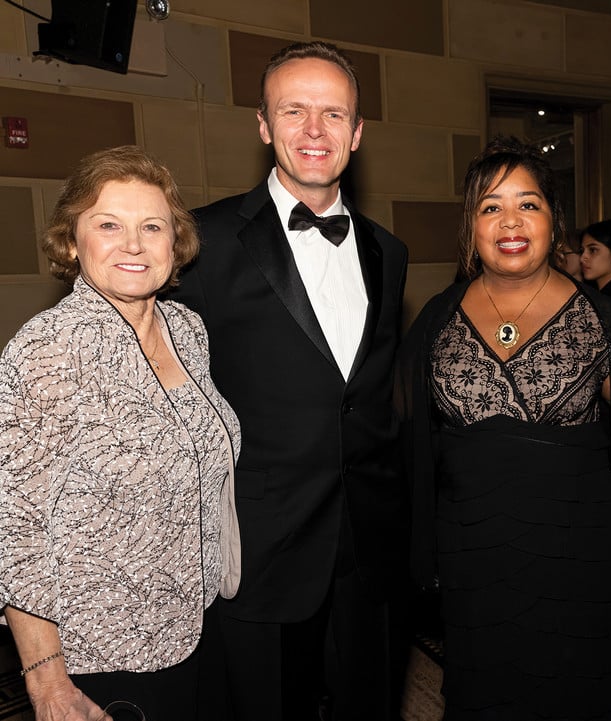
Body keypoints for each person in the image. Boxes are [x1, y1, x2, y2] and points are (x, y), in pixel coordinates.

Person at [166, 40, 409, 721]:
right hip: (259, 556)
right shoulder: (201, 243)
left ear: (357, 133)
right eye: (294, 110)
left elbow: (370, 398)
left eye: (333, 114)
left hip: (369, 550)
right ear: (264, 124)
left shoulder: (388, 251)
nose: (313, 130)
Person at [396, 136, 611, 720]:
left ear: (552, 219)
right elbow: (393, 432)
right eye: (490, 206)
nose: (510, 221)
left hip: (579, 566)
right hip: (473, 565)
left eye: (527, 204)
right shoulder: (437, 319)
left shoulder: (603, 321)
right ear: (471, 225)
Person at [0, 145, 241, 721]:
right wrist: (46, 682)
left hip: (196, 626)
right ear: (72, 239)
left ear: (174, 242)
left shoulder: (187, 328)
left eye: (151, 226)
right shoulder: (48, 351)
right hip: (100, 654)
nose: (132, 244)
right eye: (108, 224)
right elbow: (14, 525)